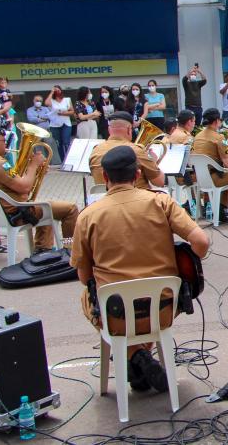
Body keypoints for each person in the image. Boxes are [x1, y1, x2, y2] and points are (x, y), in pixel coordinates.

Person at [71, 145, 209, 392]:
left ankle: (134, 356)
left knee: (86, 297)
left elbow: (84, 277)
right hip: (163, 309)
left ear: (104, 177)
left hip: (118, 315)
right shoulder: (162, 202)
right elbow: (201, 241)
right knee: (159, 293)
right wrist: (183, 271)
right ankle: (140, 358)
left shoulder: (87, 216)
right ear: (137, 175)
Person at [0, 125, 79, 251]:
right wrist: (34, 165)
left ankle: (43, 250)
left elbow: (18, 184)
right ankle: (72, 251)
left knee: (47, 206)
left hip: (5, 212)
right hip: (17, 213)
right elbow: (24, 188)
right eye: (4, 141)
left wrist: (34, 173)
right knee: (71, 209)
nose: (6, 145)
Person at [89, 111, 165, 190]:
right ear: (129, 130)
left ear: (109, 129)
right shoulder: (137, 151)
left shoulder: (95, 150)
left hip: (103, 199)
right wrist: (153, 161)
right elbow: (160, 182)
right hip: (136, 200)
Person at [191, 109, 228, 222]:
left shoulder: (197, 136)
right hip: (212, 178)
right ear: (217, 121)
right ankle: (223, 206)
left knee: (226, 175)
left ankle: (221, 207)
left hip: (199, 178)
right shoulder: (219, 137)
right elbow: (227, 162)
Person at [46, 85, 74, 161]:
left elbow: (72, 111)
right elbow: (47, 103)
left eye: (58, 90)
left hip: (66, 123)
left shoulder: (67, 100)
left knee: (66, 142)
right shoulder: (52, 100)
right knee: (59, 143)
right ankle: (63, 160)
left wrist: (64, 113)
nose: (57, 92)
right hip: (55, 125)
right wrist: (51, 92)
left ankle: (69, 160)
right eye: (56, 91)